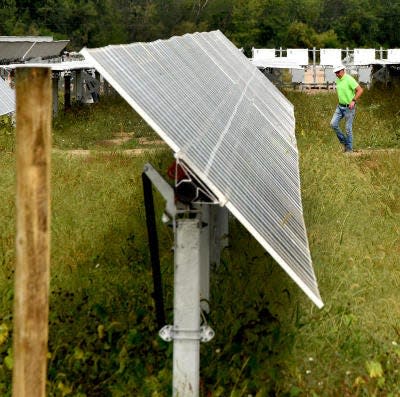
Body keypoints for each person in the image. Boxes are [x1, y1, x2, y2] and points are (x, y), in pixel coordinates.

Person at [330, 65, 363, 153]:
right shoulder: (338, 80)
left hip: (349, 108)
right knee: (333, 124)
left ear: (343, 70)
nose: (336, 74)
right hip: (340, 107)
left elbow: (360, 90)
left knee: (348, 128)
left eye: (338, 72)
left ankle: (349, 150)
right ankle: (345, 143)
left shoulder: (349, 79)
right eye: (335, 73)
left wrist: (353, 101)